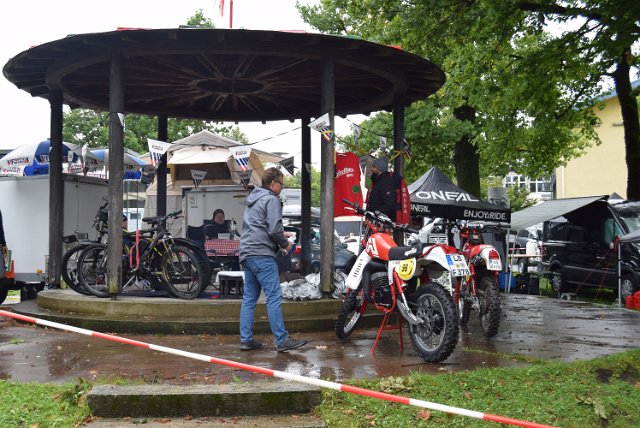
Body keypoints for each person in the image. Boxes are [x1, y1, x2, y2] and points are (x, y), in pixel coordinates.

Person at [238, 167, 307, 352]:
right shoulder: (271, 199)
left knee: (249, 298)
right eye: (281, 184)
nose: (282, 188)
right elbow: (274, 230)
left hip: (247, 252)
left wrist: (280, 235)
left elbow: (259, 227)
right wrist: (285, 244)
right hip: (262, 254)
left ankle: (246, 339)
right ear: (273, 183)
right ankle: (282, 340)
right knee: (274, 296)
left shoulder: (253, 199)